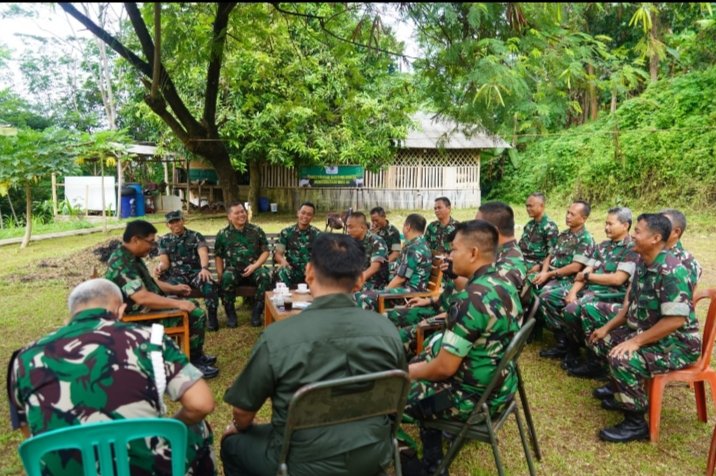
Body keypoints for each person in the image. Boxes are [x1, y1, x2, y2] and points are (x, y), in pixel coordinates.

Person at [221, 233, 406, 476]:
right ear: (360, 280)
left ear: (309, 272)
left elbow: (243, 413)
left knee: (232, 444)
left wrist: (238, 426)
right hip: (373, 454)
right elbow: (397, 397)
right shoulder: (387, 331)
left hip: (299, 462)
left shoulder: (279, 337)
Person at [9, 279, 216, 475]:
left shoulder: (23, 358)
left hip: (65, 470)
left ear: (70, 316)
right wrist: (167, 427)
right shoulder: (150, 340)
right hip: (143, 468)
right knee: (197, 428)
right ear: (121, 311)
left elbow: (29, 433)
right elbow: (201, 404)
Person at [405, 220, 522, 474]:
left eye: (454, 249)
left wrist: (404, 373)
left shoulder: (469, 299)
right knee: (424, 361)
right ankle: (434, 459)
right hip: (502, 388)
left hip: (472, 399)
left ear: (473, 253)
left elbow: (443, 369)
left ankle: (423, 466)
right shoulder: (505, 283)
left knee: (390, 394)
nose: (449, 256)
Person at [588, 213, 700, 443]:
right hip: (651, 334)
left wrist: (635, 341)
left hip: (677, 343)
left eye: (637, 232)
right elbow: (630, 307)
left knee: (622, 358)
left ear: (655, 238)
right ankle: (622, 392)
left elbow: (675, 321)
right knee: (602, 341)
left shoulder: (672, 271)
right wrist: (607, 328)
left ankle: (636, 423)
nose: (632, 235)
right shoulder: (643, 262)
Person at [105, 220, 218, 379]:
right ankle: (193, 362)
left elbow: (149, 283)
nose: (152, 247)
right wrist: (177, 303)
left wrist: (174, 289)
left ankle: (195, 354)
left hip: (145, 310)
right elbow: (142, 297)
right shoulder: (122, 262)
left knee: (192, 304)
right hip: (137, 318)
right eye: (150, 242)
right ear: (135, 239)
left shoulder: (130, 257)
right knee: (196, 314)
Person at [560, 207, 638, 378]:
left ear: (625, 225)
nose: (606, 227)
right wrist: (572, 292)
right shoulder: (602, 246)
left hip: (611, 296)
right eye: (605, 223)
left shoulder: (631, 248)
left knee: (579, 309)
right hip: (590, 291)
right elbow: (584, 272)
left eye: (610, 224)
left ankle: (595, 361)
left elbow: (617, 279)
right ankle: (574, 349)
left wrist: (588, 276)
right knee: (568, 306)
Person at [531, 200, 595, 360]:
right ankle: (534, 328)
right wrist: (544, 271)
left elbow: (575, 267)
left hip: (569, 280)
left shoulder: (585, 239)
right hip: (552, 274)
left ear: (583, 218)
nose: (568, 216)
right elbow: (550, 255)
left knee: (546, 295)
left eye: (573, 214)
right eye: (568, 212)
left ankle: (563, 341)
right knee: (527, 283)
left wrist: (549, 275)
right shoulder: (564, 235)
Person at [156, 210, 220, 331]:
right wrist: (160, 267)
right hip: (176, 276)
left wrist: (204, 268)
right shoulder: (164, 240)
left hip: (196, 273)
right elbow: (164, 262)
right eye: (171, 222)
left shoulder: (195, 236)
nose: (175, 224)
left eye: (177, 221)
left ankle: (212, 319)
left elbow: (203, 253)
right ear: (167, 225)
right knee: (166, 288)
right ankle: (175, 319)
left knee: (209, 284)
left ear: (183, 221)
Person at [356, 214, 433, 311]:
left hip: (409, 294)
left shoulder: (414, 248)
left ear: (408, 227)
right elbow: (402, 270)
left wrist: (383, 293)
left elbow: (401, 279)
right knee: (364, 288)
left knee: (363, 297)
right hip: (405, 288)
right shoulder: (419, 244)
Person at [215, 201, 272, 327]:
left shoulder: (256, 231)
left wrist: (255, 266)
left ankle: (257, 312)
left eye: (242, 211)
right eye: (237, 213)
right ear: (230, 216)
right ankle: (231, 315)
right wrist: (220, 274)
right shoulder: (223, 234)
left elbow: (266, 252)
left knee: (264, 275)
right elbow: (218, 256)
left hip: (253, 268)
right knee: (226, 277)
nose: (241, 215)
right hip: (233, 271)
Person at [476, 201, 527, 292]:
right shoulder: (499, 251)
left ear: (493, 231)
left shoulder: (508, 266)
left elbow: (483, 293)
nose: (473, 231)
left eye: (477, 227)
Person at [273, 202, 321, 289]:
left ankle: (319, 298)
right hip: (292, 270)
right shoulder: (286, 232)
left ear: (312, 217)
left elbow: (324, 256)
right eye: (303, 213)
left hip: (310, 271)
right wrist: (283, 261)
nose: (305, 216)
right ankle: (284, 297)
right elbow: (278, 254)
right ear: (298, 213)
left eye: (309, 214)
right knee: (282, 272)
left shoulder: (317, 234)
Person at [346, 211, 390, 290]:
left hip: (374, 283)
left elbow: (375, 267)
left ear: (362, 227)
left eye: (351, 227)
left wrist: (358, 280)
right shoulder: (351, 241)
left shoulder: (376, 241)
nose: (348, 230)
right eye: (347, 227)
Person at [660, 208, 702, 290]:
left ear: (676, 232)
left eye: (662, 226)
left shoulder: (687, 262)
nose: (655, 229)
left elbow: (684, 294)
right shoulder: (647, 251)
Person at [519, 192, 559, 272]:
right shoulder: (529, 225)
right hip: (522, 261)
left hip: (536, 265)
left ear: (542, 206)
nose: (528, 209)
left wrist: (540, 266)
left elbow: (552, 254)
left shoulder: (549, 227)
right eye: (527, 206)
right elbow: (520, 246)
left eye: (531, 206)